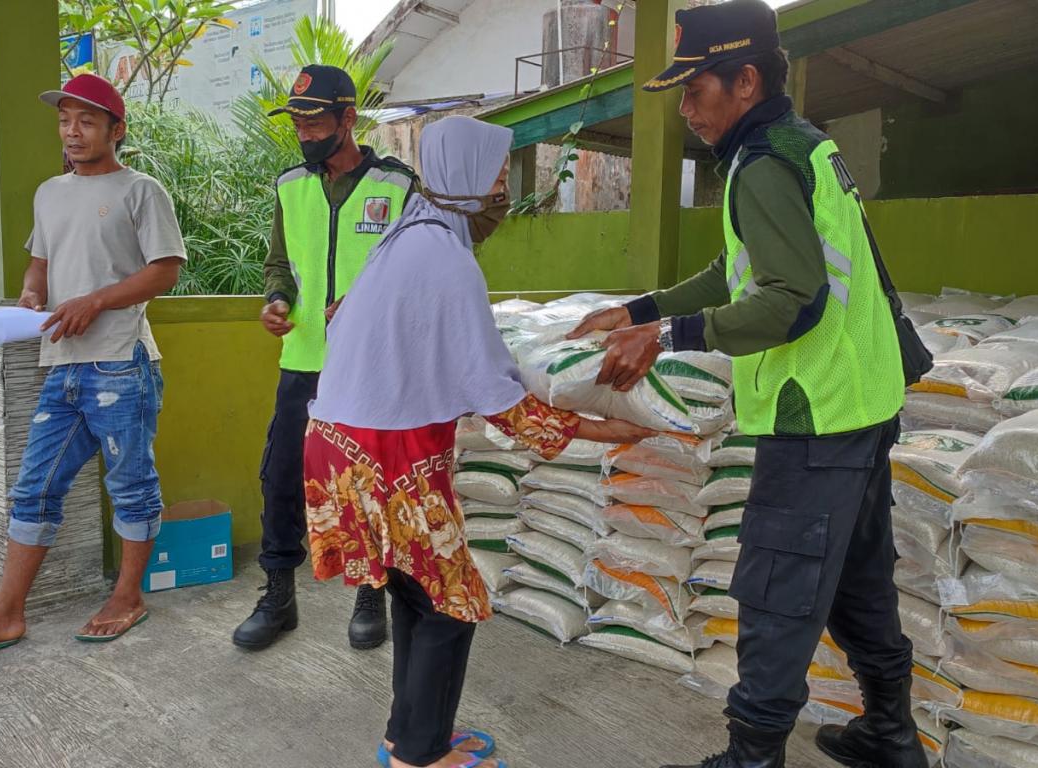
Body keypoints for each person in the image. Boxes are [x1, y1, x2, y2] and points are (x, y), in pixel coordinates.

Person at [569, 3, 922, 767]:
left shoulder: (763, 163)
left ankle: (751, 758)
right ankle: (891, 732)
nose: (685, 108)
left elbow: (790, 301)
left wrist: (665, 336)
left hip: (815, 415)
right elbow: (738, 275)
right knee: (859, 583)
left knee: (776, 593)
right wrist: (637, 307)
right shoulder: (799, 146)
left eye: (695, 90)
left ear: (746, 80)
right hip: (862, 405)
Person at [305, 115, 656, 768]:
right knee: (451, 604)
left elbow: (468, 360)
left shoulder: (408, 237)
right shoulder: (445, 259)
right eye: (496, 179)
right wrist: (607, 428)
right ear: (463, 180)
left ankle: (406, 738)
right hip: (389, 460)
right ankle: (420, 756)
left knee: (418, 595)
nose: (502, 194)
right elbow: (503, 404)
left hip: (340, 449)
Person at [0, 73, 186, 659]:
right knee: (33, 488)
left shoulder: (141, 190)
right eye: (65, 120)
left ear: (116, 130)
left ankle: (127, 597)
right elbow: (38, 265)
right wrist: (30, 296)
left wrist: (95, 300)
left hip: (122, 364)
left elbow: (165, 269)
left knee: (131, 485)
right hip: (61, 367)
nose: (72, 130)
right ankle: (5, 612)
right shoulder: (49, 192)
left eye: (87, 121)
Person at [234, 64, 419, 652]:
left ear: (348, 118)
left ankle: (371, 592)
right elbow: (279, 266)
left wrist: (370, 304)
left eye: (316, 123)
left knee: (370, 484)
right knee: (282, 477)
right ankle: (278, 595)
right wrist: (276, 301)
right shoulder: (290, 185)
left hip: (373, 367)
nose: (306, 134)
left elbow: (420, 275)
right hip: (304, 360)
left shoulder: (398, 187)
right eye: (298, 124)